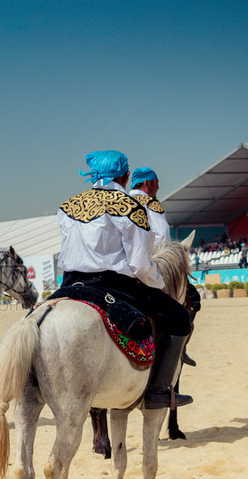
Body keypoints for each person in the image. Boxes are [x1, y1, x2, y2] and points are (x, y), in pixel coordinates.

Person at [53, 150, 192, 409]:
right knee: (180, 318)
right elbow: (140, 263)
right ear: (126, 176)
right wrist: (159, 283)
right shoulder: (129, 206)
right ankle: (159, 391)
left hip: (70, 283)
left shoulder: (67, 206)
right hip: (113, 283)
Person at [130, 166, 201, 366]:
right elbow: (162, 236)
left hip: (123, 267)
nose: (159, 186)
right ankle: (179, 349)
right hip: (152, 263)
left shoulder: (122, 201)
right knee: (192, 300)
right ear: (146, 183)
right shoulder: (151, 204)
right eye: (156, 182)